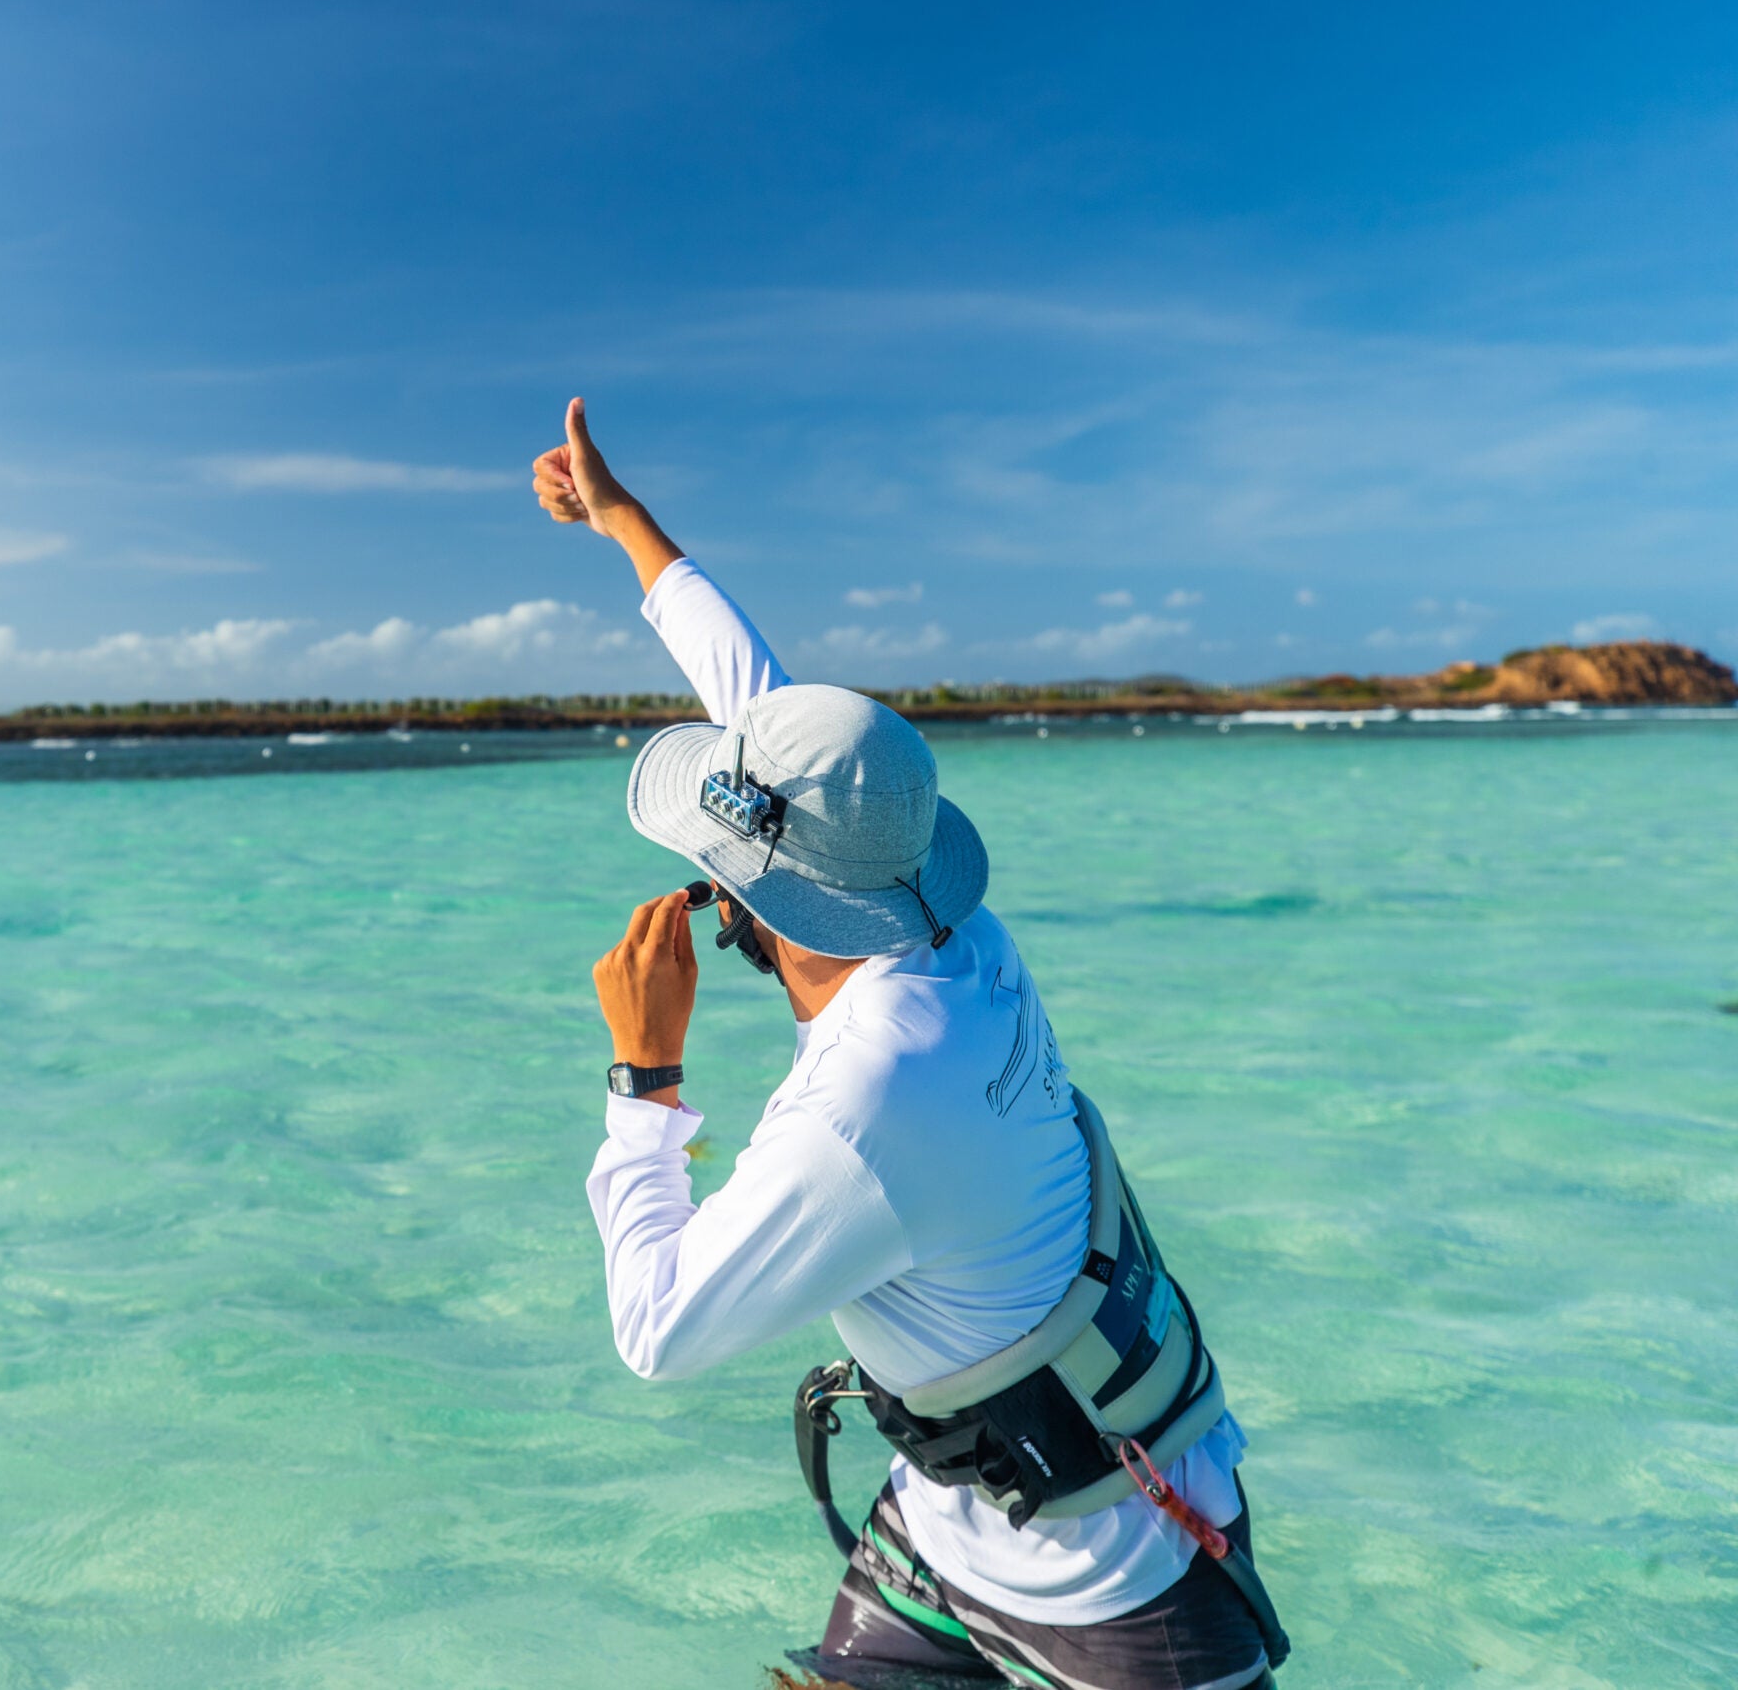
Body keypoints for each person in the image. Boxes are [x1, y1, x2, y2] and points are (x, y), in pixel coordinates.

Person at [535, 398, 1288, 1690]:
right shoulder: (957, 931)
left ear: (754, 901)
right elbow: (763, 700)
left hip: (1127, 1587)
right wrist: (621, 521)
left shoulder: (869, 1095)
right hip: (949, 1533)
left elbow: (657, 1327)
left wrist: (644, 1076)